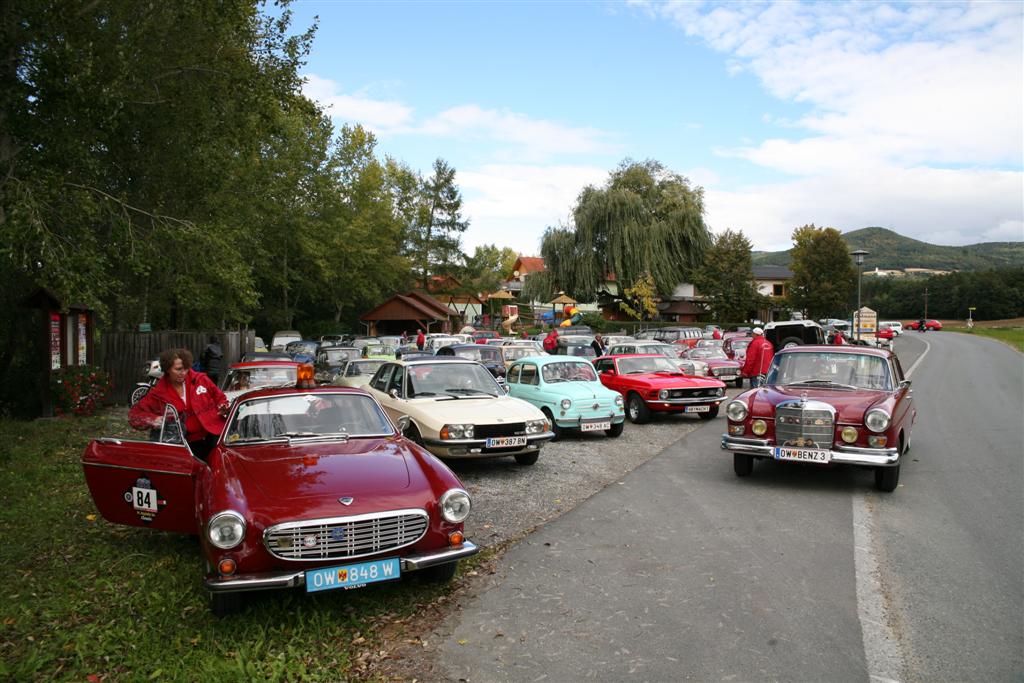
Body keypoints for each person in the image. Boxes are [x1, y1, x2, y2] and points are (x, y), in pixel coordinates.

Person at [129, 347, 228, 459]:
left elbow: (219, 397)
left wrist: (222, 406)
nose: (183, 373)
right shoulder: (159, 393)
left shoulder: (200, 379)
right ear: (167, 369)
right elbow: (134, 416)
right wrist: (155, 420)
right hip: (186, 443)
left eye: (186, 368)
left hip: (214, 434)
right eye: (178, 369)